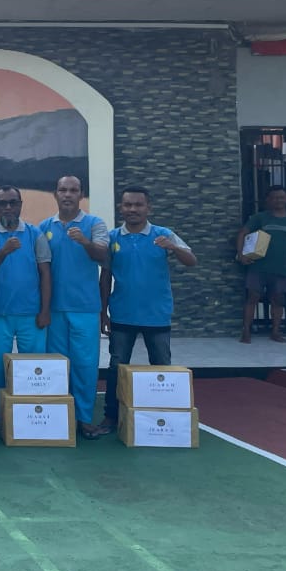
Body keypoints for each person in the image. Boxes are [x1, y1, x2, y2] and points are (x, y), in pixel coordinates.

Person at [97, 186, 198, 434]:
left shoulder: (164, 234)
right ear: (121, 207)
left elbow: (191, 261)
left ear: (148, 208)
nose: (132, 209)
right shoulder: (112, 238)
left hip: (157, 315)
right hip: (122, 314)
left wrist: (173, 247)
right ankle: (111, 416)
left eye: (138, 205)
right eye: (128, 205)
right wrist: (103, 312)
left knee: (161, 367)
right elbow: (105, 277)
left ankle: (162, 416)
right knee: (117, 367)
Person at [38, 175, 109, 439]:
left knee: (85, 366)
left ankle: (84, 418)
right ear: (55, 194)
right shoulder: (44, 227)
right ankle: (59, 419)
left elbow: (102, 255)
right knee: (57, 368)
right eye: (63, 190)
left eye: (73, 190)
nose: (67, 194)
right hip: (54, 309)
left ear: (81, 195)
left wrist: (85, 242)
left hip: (85, 308)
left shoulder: (94, 224)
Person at [0, 185, 52, 435]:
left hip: (31, 313)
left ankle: (31, 415)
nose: (8, 207)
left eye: (13, 202)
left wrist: (45, 310)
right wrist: (4, 251)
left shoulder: (35, 233)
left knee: (33, 368)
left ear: (20, 205)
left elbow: (45, 273)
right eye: (3, 203)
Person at [238, 186, 286, 344]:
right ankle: (246, 331)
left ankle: (275, 332)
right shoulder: (259, 218)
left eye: (282, 197)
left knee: (278, 299)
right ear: (268, 200)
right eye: (275, 197)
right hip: (258, 266)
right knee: (253, 297)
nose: (278, 200)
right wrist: (241, 255)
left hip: (281, 267)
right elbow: (242, 233)